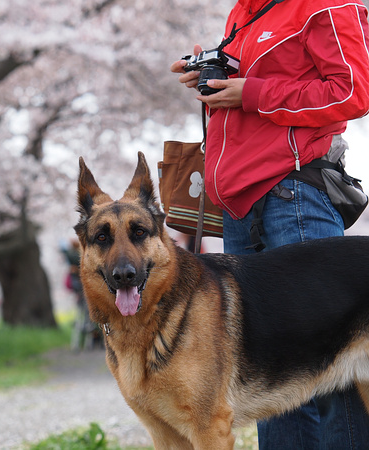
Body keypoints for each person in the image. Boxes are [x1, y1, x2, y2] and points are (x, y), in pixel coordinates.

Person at [171, 0, 369, 448]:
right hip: (240, 210)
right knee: (270, 375)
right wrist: (218, 79)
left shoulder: (325, 5)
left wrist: (252, 92)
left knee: (334, 365)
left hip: (292, 196)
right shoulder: (245, 11)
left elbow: (354, 91)